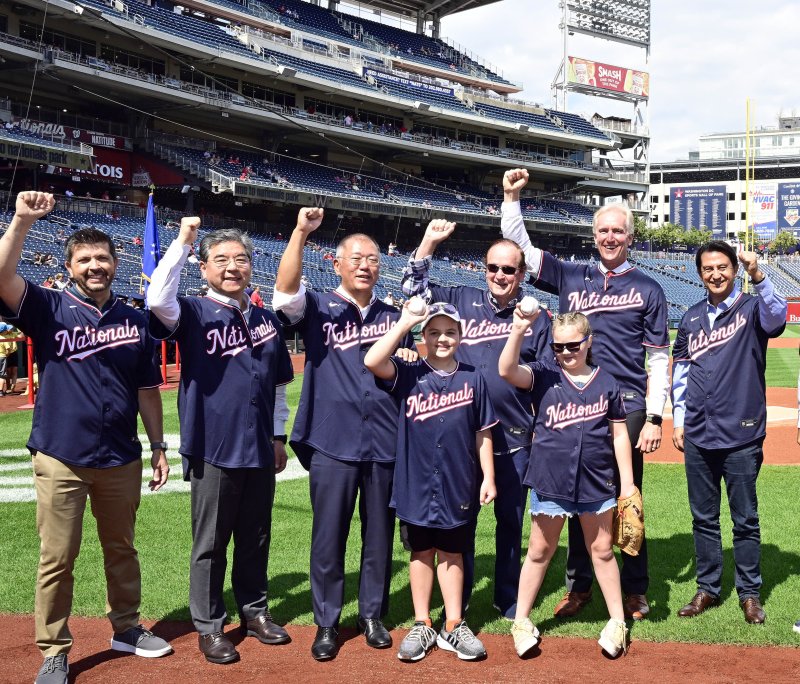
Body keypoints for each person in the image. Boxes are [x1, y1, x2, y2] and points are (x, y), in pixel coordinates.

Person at [0, 191, 172, 684]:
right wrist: (20, 221)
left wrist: (158, 446)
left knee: (122, 548)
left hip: (121, 455)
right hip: (61, 455)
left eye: (102, 258)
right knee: (58, 557)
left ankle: (126, 627)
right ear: (70, 266)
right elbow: (1, 277)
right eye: (85, 259)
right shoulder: (48, 307)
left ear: (116, 263)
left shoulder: (134, 319)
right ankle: (54, 649)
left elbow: (147, 388)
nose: (95, 265)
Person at [501, 168, 669, 621]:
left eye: (618, 230)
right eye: (603, 231)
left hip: (626, 404)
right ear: (593, 235)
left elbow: (657, 359)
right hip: (571, 399)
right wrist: (511, 199)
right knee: (576, 495)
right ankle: (580, 586)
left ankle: (634, 588)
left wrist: (655, 417)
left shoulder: (648, 288)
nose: (610, 237)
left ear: (630, 237)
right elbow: (523, 251)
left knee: (625, 497)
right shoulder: (572, 275)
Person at [147, 219, 294, 665]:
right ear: (204, 268)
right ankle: (210, 627)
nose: (233, 268)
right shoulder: (190, 311)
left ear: (252, 267)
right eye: (222, 260)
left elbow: (279, 386)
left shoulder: (266, 319)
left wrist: (278, 436)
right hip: (213, 446)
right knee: (210, 542)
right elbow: (156, 298)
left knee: (256, 536)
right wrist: (183, 242)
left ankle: (254, 612)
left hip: (258, 446)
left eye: (242, 259)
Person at [272, 207, 414, 661]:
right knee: (328, 536)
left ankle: (372, 614)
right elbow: (284, 291)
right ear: (336, 264)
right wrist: (299, 232)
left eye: (371, 258)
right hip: (332, 439)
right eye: (354, 258)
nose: (363, 265)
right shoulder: (316, 306)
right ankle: (327, 622)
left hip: (384, 440)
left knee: (379, 536)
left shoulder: (395, 316)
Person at [401, 220, 552, 619]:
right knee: (460, 523)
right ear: (483, 269)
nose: (500, 276)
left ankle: (506, 596)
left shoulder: (536, 317)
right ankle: (459, 598)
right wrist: (428, 243)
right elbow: (412, 293)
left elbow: (545, 374)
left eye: (509, 269)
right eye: (493, 268)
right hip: (463, 440)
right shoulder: (462, 299)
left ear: (521, 274)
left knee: (509, 523)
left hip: (515, 436)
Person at [364, 301, 497, 662]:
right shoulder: (408, 372)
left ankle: (453, 624)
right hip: (415, 482)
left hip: (459, 481)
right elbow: (372, 360)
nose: (442, 339)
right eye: (434, 332)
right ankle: (423, 622)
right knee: (421, 553)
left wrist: (489, 477)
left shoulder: (473, 377)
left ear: (460, 335)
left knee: (453, 553)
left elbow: (483, 433)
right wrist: (406, 321)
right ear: (423, 336)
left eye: (450, 332)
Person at [499, 309, 635, 659]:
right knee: (540, 551)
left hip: (596, 481)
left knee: (602, 551)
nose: (566, 352)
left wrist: (628, 484)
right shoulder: (545, 374)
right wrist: (517, 330)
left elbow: (619, 433)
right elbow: (507, 370)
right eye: (559, 346)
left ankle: (617, 622)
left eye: (574, 344)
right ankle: (521, 621)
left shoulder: (606, 381)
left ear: (588, 342)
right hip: (551, 479)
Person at [671, 241, 786, 625]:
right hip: (699, 434)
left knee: (745, 519)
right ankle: (707, 588)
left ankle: (750, 593)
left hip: (741, 431)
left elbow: (778, 318)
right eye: (708, 269)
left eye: (723, 267)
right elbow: (681, 373)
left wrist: (759, 275)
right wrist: (678, 420)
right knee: (703, 518)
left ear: (734, 269)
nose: (716, 274)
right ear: (699, 273)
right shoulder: (690, 318)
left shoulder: (752, 308)